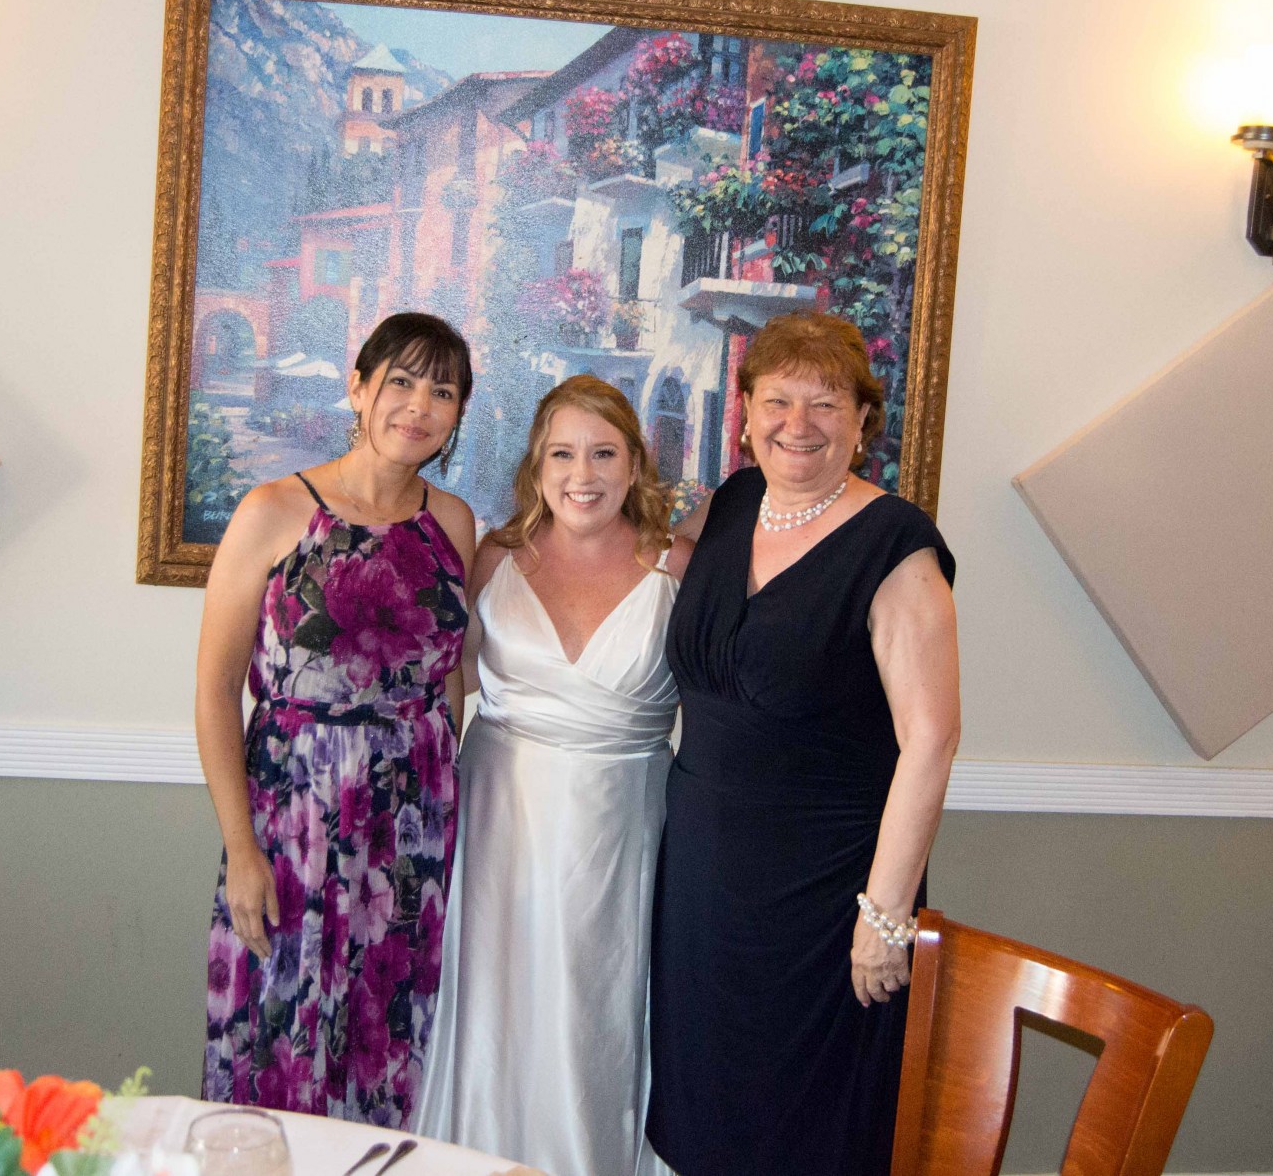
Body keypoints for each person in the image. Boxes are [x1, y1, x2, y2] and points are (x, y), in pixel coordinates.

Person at [647, 311, 960, 1176]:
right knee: (707, 1120)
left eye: (826, 403)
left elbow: (932, 740)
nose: (798, 423)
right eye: (778, 400)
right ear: (746, 412)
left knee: (809, 1132)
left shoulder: (897, 546)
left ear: (863, 421)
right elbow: (634, 566)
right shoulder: (729, 506)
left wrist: (884, 919)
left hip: (827, 899)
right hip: (704, 886)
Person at [195, 312, 478, 1127]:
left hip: (412, 830)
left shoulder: (454, 522)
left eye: (442, 391)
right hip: (293, 821)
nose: (419, 405)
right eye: (401, 382)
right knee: (274, 1036)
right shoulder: (274, 509)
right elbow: (216, 691)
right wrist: (242, 848)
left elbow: (450, 681)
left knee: (388, 1046)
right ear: (358, 389)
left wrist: (442, 814)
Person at [415, 375, 684, 1176]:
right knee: (498, 1017)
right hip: (500, 822)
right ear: (537, 465)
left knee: (595, 1016)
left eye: (603, 453)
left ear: (635, 463)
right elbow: (448, 679)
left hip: (622, 832)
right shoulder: (495, 557)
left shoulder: (679, 565)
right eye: (562, 453)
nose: (582, 474)